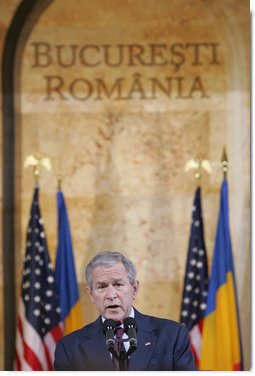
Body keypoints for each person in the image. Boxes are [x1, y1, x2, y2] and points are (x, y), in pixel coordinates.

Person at [54, 251, 197, 371]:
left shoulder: (172, 335)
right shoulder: (69, 348)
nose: (111, 295)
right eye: (102, 287)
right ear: (91, 294)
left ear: (134, 289)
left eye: (118, 284)